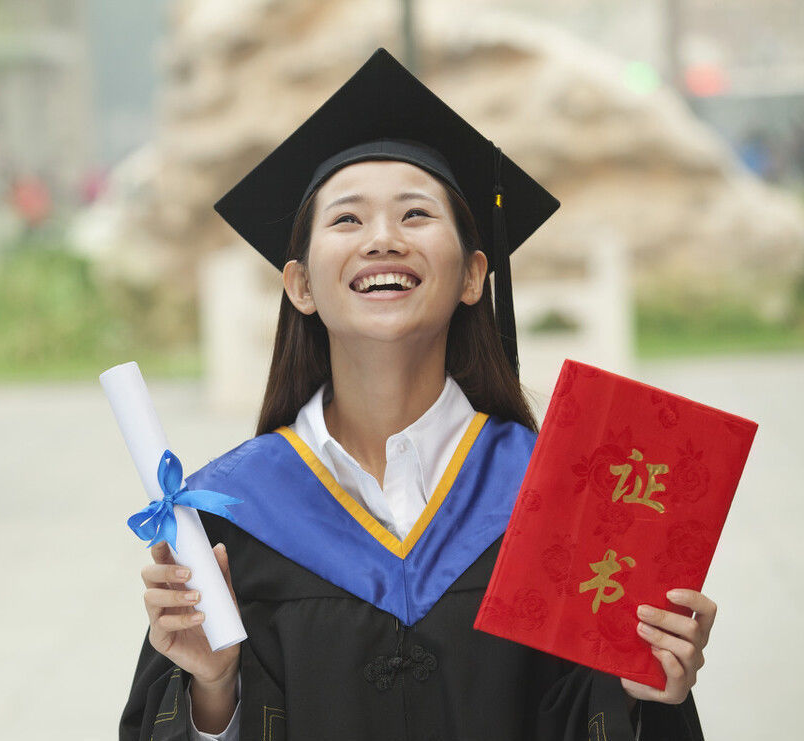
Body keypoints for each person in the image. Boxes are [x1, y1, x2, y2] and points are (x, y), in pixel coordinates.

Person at [122, 50, 712, 740]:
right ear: (301, 286)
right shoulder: (230, 515)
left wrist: (648, 694)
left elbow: (596, 714)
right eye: (346, 220)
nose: (382, 239)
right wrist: (214, 689)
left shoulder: (559, 496)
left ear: (472, 274)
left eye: (415, 214)